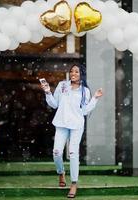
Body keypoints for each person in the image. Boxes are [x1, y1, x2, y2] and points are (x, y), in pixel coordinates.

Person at [40, 64, 103, 198]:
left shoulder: (84, 91)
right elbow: (54, 104)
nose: (73, 73)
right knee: (56, 152)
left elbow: (85, 111)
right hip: (61, 124)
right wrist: (47, 92)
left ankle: (74, 184)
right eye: (71, 71)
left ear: (81, 74)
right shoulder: (62, 85)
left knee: (73, 153)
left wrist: (95, 98)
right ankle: (61, 172)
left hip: (76, 125)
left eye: (76, 71)